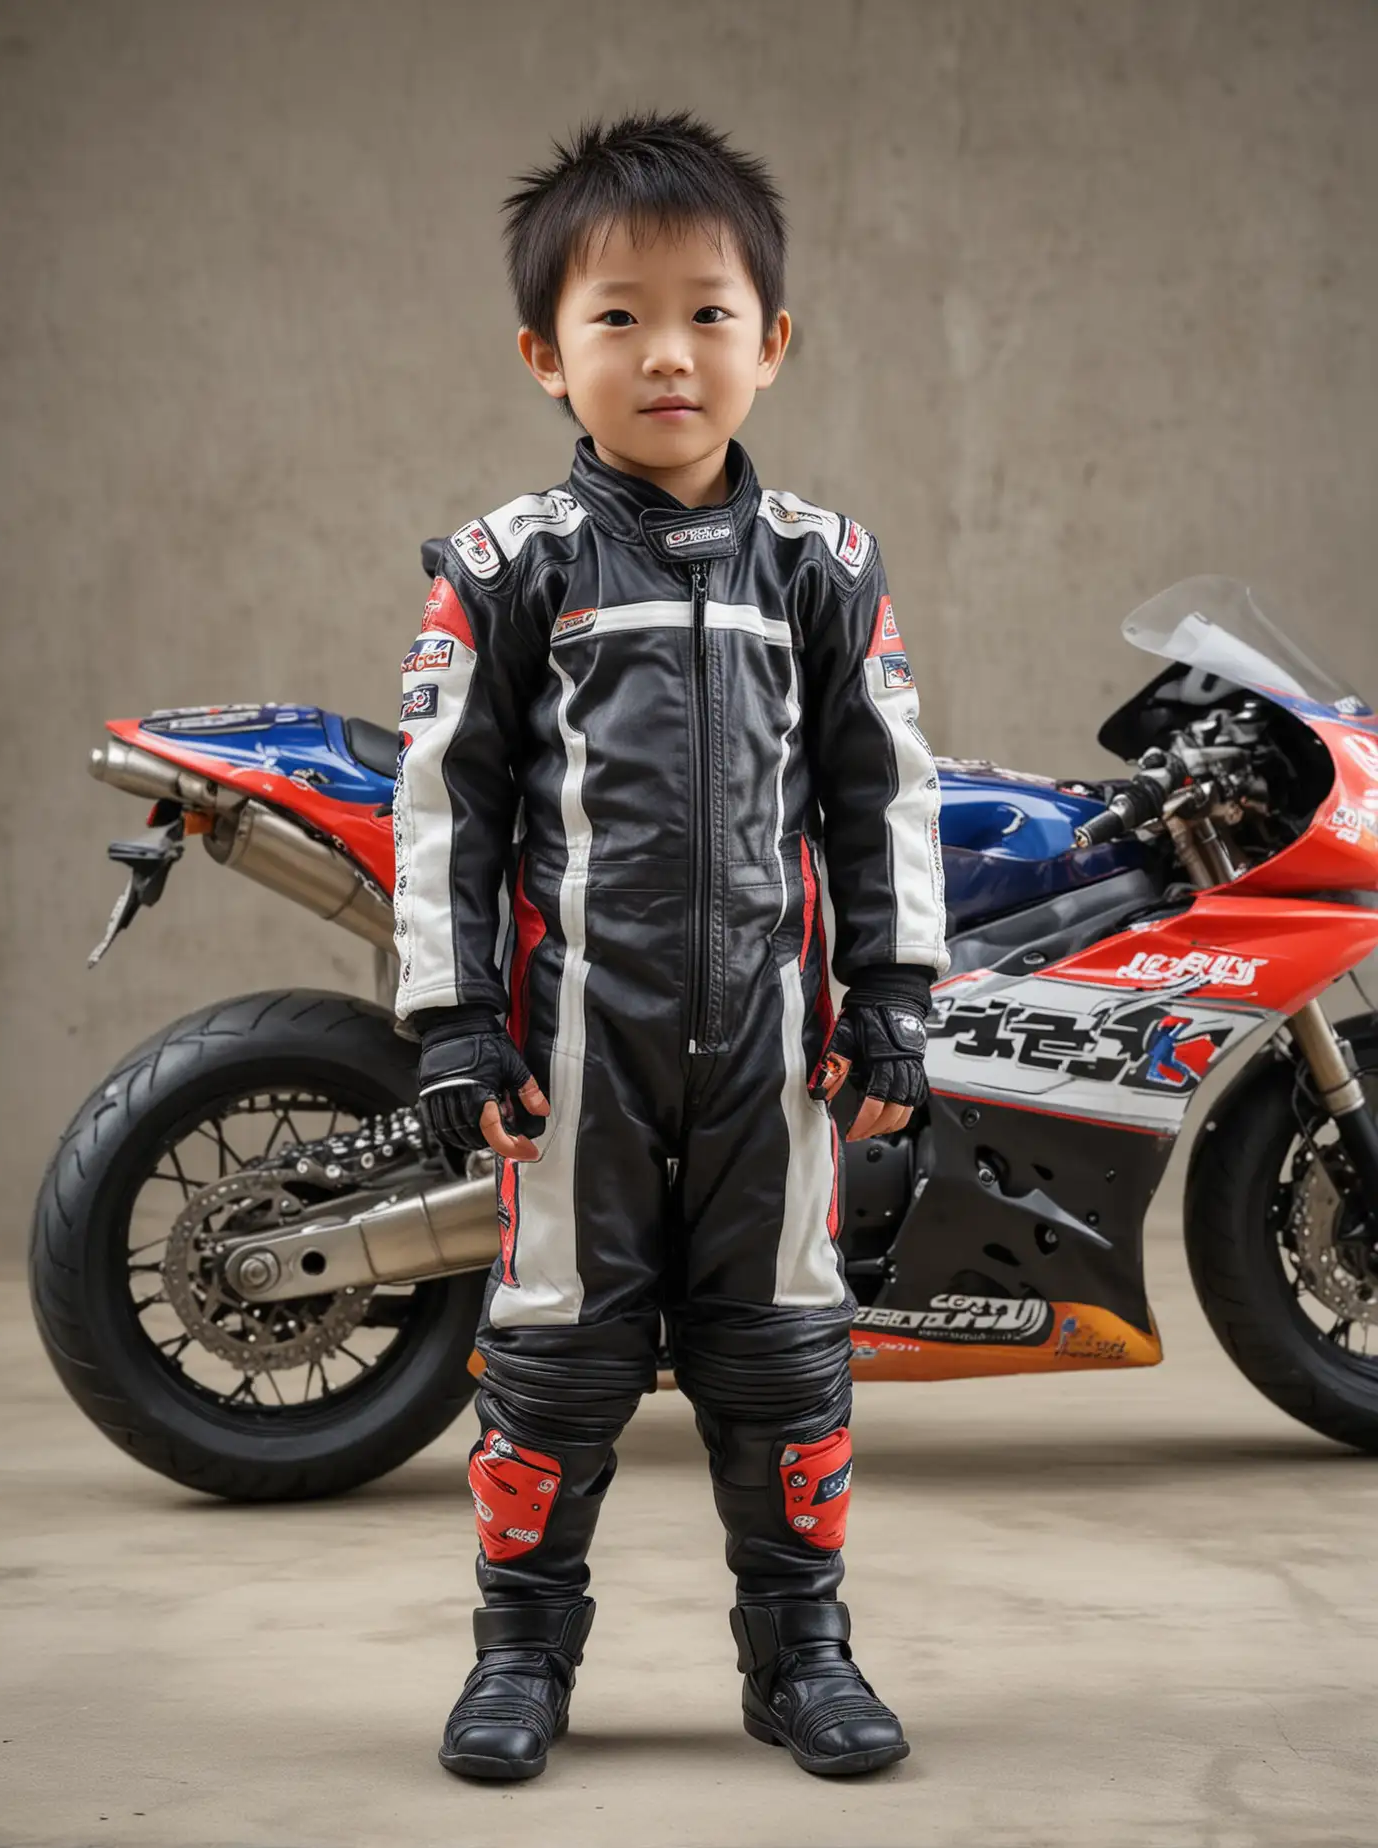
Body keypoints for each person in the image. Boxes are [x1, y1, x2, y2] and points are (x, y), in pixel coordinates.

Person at [393, 111, 947, 1783]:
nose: (667, 353)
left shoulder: (825, 569)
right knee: (553, 1357)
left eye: (708, 312)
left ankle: (804, 1657)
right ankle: (519, 1662)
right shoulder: (506, 569)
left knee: (785, 1355)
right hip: (578, 1059)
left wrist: (898, 1009)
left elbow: (887, 799)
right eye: (616, 315)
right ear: (544, 356)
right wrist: (449, 1028)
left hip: (774, 1054)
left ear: (771, 343)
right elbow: (443, 813)